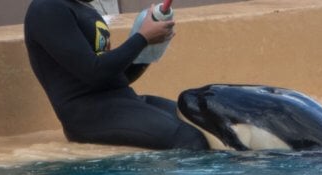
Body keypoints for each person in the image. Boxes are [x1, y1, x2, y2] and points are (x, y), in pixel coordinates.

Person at [24, 0, 208, 150]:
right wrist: (142, 38)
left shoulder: (84, 9)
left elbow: (116, 77)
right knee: (188, 139)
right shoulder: (47, 8)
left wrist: (148, 49)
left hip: (123, 101)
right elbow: (93, 72)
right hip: (90, 115)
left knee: (205, 122)